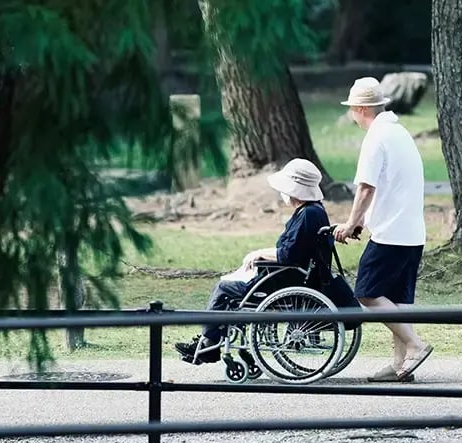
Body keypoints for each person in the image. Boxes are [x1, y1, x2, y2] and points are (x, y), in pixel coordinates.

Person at [176, 158, 333, 365]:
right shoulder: (315, 211)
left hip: (286, 280)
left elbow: (288, 255)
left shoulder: (307, 215)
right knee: (232, 284)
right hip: (297, 276)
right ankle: (213, 339)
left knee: (223, 289)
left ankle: (208, 343)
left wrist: (259, 254)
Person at [334, 77, 433, 382]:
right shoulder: (399, 133)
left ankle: (416, 346)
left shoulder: (376, 138)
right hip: (412, 231)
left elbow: (366, 188)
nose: (352, 114)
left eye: (352, 108)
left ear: (361, 109)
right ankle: (401, 364)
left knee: (367, 292)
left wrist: (351, 223)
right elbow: (391, 187)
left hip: (391, 234)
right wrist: (364, 220)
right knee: (397, 298)